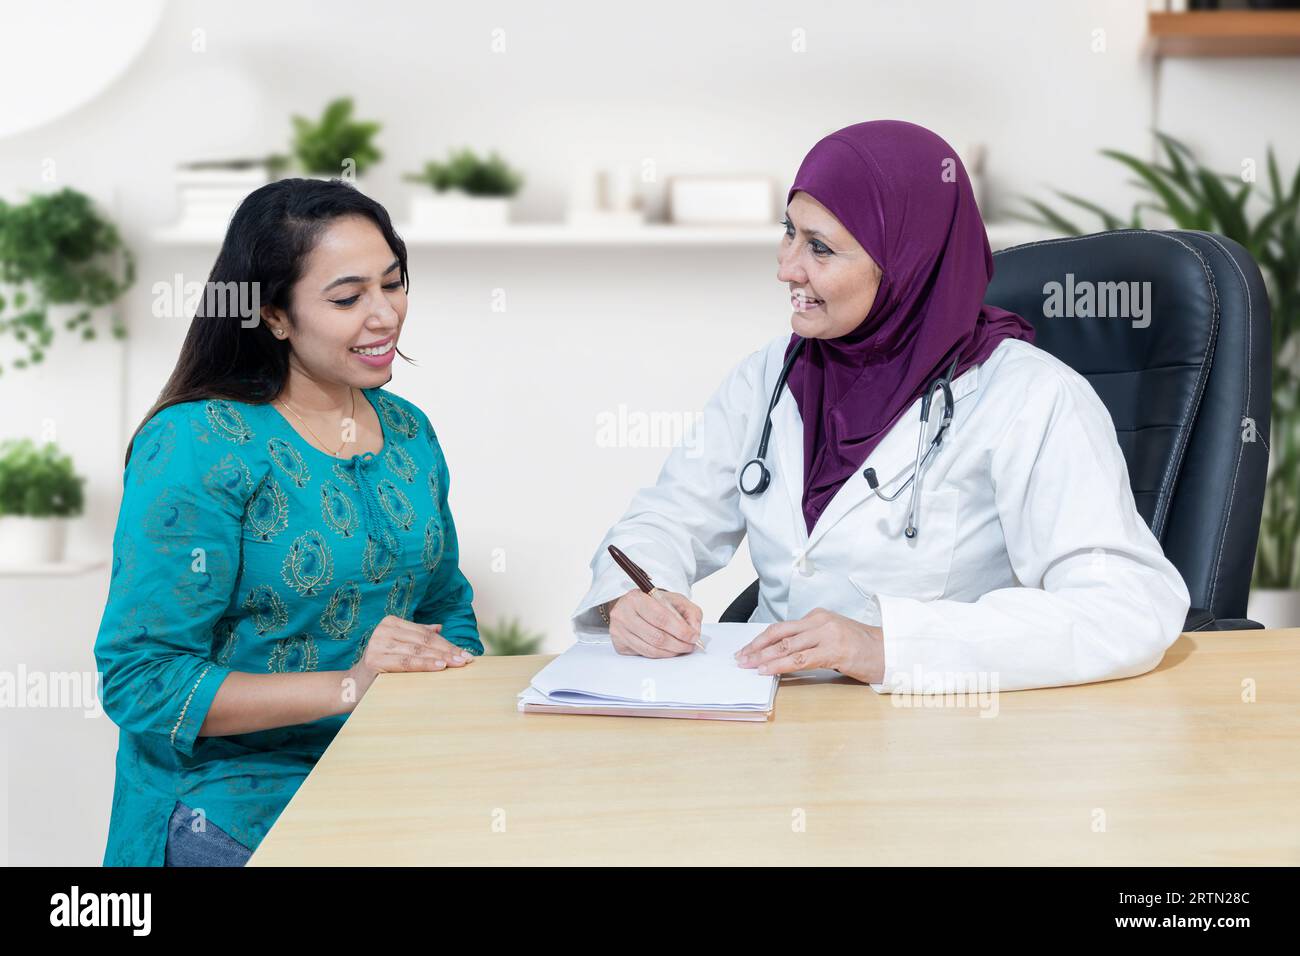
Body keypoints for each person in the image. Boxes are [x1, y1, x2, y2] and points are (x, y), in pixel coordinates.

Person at [571, 120, 1190, 694]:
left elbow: (1126, 607)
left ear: (903, 263)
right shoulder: (770, 375)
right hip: (769, 713)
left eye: (820, 248)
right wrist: (633, 599)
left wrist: (890, 646)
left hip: (937, 738)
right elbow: (668, 518)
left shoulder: (1030, 397)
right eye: (789, 232)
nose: (786, 268)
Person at [94, 178, 480, 866]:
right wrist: (350, 686)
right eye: (347, 298)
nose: (384, 315)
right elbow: (142, 680)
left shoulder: (408, 430)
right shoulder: (197, 443)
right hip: (231, 799)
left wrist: (441, 681)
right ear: (274, 315)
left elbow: (444, 606)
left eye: (394, 284)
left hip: (389, 773)